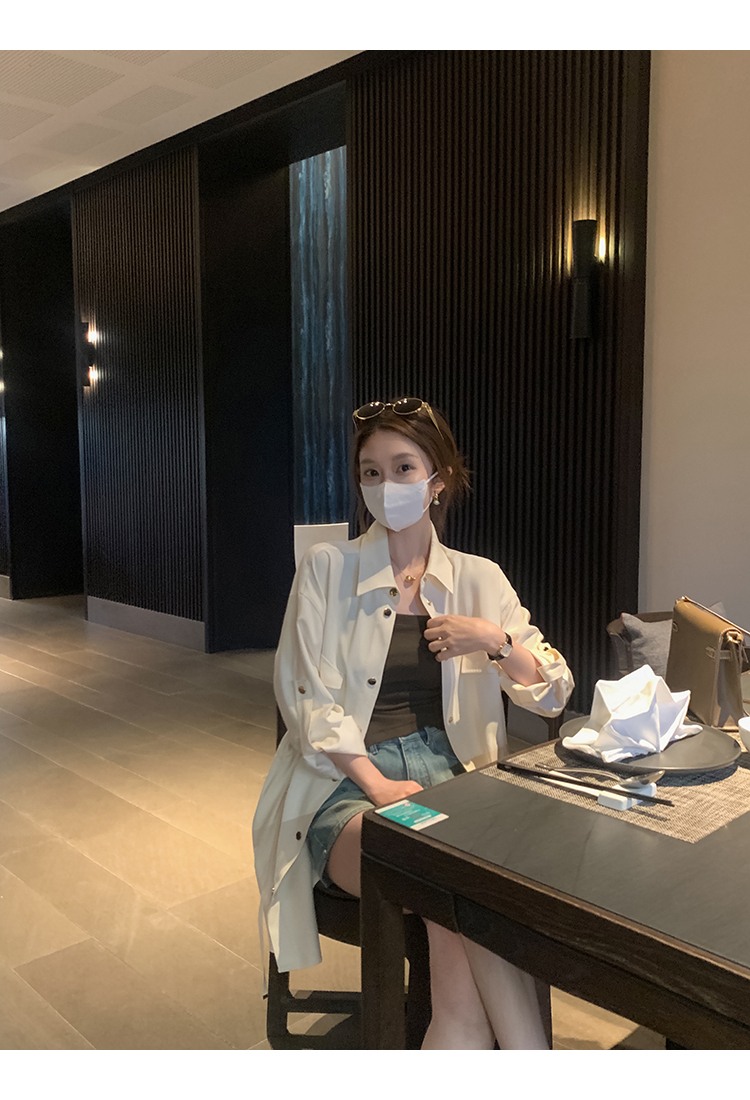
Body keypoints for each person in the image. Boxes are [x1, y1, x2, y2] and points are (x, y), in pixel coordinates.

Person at [253, 398, 574, 1049]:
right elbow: (307, 701)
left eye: (403, 468)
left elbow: (554, 690)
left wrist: (494, 640)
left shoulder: (479, 580)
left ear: (438, 480)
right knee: (464, 881)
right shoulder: (328, 569)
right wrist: (378, 786)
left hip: (457, 784)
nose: (386, 486)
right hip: (346, 788)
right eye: (371, 472)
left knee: (470, 923)